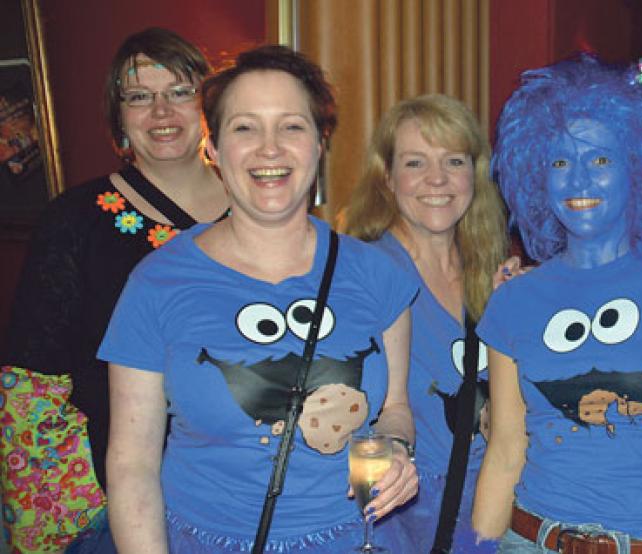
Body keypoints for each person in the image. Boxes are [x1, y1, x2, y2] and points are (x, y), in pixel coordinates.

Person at [97, 45, 419, 552]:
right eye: (245, 128)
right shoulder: (157, 282)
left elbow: (396, 407)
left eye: (291, 126)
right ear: (216, 149)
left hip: (357, 539)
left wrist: (398, 448)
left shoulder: (378, 273)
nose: (270, 149)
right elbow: (131, 463)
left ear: (319, 143)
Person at [472, 54, 642, 554]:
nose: (578, 180)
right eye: (560, 162)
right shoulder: (513, 300)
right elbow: (506, 452)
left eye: (599, 160)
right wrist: (479, 546)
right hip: (528, 538)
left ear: (637, 169)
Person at [0, 28, 227, 553]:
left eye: (179, 91)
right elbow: (29, 384)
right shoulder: (74, 221)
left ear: (208, 105)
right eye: (139, 97)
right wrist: (71, 514)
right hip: (114, 501)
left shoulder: (261, 211)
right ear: (119, 118)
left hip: (245, 488)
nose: (161, 111)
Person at [345, 93, 508, 552]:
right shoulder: (360, 274)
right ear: (387, 177)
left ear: (474, 175)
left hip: (489, 517)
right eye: (415, 162)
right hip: (400, 525)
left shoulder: (491, 273)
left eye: (453, 161)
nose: (437, 179)